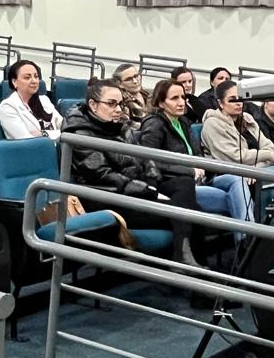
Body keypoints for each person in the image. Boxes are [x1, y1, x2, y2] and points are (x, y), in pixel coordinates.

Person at [62, 78, 202, 265]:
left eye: (121, 104)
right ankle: (186, 266)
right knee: (189, 214)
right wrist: (148, 191)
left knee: (185, 185)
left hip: (135, 189)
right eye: (111, 104)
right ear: (93, 105)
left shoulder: (120, 126)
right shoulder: (79, 133)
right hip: (108, 197)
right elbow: (102, 175)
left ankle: (183, 262)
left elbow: (144, 157)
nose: (118, 109)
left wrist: (151, 182)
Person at [139, 79, 252, 230]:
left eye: (183, 97)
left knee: (238, 180)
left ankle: (248, 238)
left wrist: (201, 168)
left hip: (201, 179)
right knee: (238, 200)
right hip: (177, 184)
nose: (181, 102)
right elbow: (150, 161)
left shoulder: (184, 123)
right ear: (160, 103)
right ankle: (248, 238)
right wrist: (190, 170)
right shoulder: (155, 124)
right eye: (174, 98)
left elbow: (197, 155)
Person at [201, 81, 274, 167]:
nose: (239, 103)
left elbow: (269, 147)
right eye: (232, 99)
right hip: (230, 172)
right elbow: (235, 158)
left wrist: (258, 166)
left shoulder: (247, 118)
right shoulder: (212, 124)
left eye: (240, 98)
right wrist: (267, 155)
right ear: (221, 103)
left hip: (257, 169)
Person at [0, 58, 63, 141]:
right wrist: (56, 135)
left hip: (58, 146)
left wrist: (43, 133)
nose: (34, 81)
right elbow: (26, 140)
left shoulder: (44, 100)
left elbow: (64, 129)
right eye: (27, 77)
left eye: (36, 76)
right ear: (14, 82)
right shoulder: (8, 106)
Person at [112, 62, 149, 127]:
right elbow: (127, 127)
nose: (135, 81)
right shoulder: (121, 103)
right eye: (129, 79)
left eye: (136, 76)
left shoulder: (145, 94)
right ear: (119, 84)